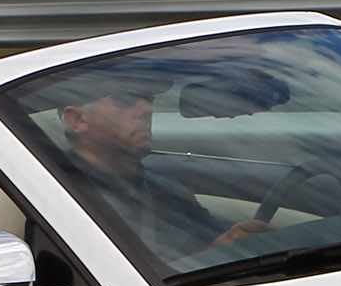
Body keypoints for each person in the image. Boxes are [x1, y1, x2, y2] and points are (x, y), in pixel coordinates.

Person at [53, 77, 271, 262]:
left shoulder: (163, 186)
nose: (147, 108)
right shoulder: (58, 200)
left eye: (149, 99)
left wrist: (236, 242)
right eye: (124, 100)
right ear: (79, 119)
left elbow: (214, 246)